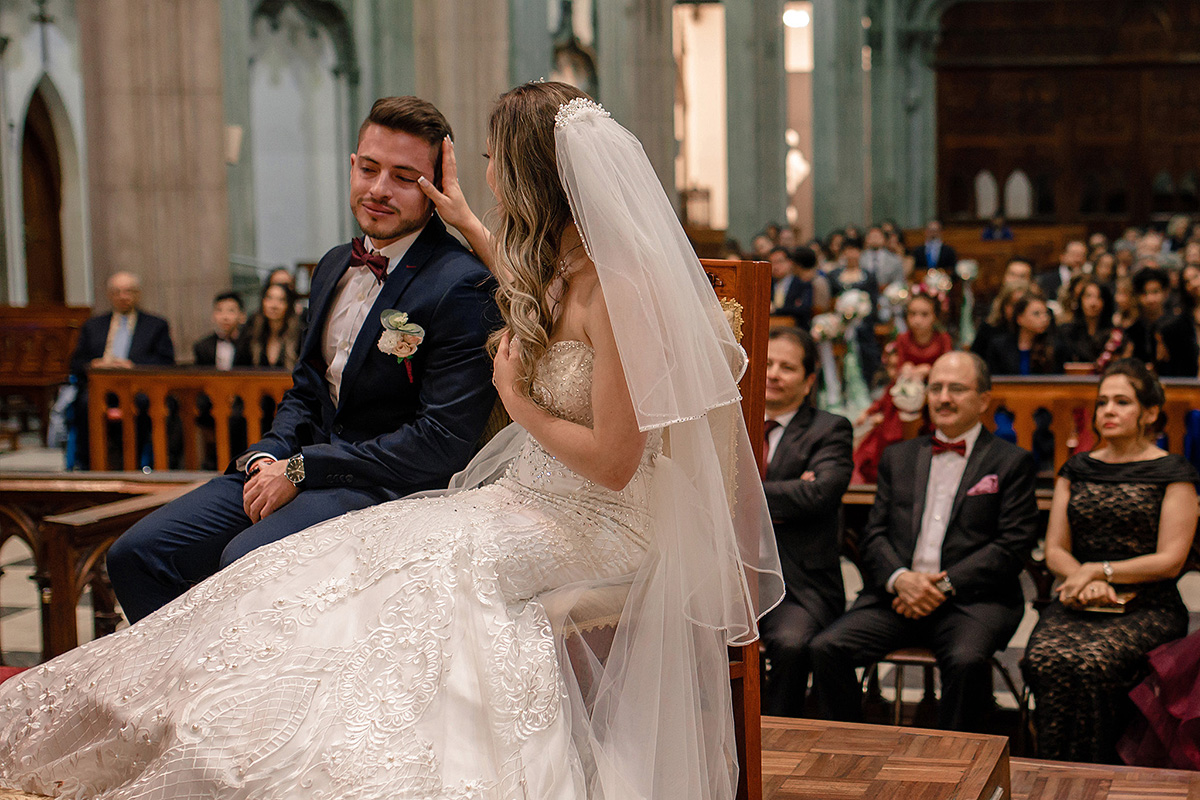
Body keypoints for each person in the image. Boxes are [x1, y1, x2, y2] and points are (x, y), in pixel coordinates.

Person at [0, 83, 782, 800]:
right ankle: (203, 728)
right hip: (528, 498)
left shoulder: (620, 288)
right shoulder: (558, 266)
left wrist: (517, 400)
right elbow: (516, 283)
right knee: (338, 558)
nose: (488, 175)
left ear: (531, 173)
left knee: (425, 580)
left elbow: (614, 466)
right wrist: (468, 221)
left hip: (601, 521)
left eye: (493, 162)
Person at [104, 96, 500, 624]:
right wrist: (271, 454)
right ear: (351, 165)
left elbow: (440, 443)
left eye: (404, 177)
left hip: (383, 486)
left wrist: (305, 467)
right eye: (368, 168)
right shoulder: (335, 264)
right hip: (298, 464)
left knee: (244, 563)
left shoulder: (460, 283)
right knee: (138, 554)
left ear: (437, 190)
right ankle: (181, 699)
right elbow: (307, 388)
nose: (379, 189)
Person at [809, 352, 1039, 732]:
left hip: (974, 601)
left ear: (984, 400)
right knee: (826, 648)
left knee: (966, 661)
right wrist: (901, 579)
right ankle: (848, 751)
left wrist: (942, 586)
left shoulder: (1011, 463)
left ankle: (956, 768)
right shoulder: (898, 457)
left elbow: (1011, 546)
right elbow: (875, 535)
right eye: (936, 388)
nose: (944, 398)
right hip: (897, 597)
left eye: (957, 389)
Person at [1021, 360, 1198, 763]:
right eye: (1103, 402)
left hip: (1148, 604)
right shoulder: (1077, 468)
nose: (1108, 411)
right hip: (1081, 597)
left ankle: (1103, 772)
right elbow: (1055, 551)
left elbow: (1171, 560)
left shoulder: (1173, 471)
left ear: (1150, 413)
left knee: (1094, 662)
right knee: (1043, 658)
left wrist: (1101, 571)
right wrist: (1086, 577)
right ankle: (1050, 770)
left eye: (1122, 402)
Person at [760, 327, 853, 717]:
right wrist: (790, 490)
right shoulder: (731, 421)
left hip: (798, 585)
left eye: (788, 367)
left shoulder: (829, 429)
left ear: (810, 379)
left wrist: (742, 492)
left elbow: (819, 496)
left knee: (792, 644)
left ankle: (777, 743)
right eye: (767, 363)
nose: (774, 374)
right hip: (730, 578)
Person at [68, 271, 176, 469]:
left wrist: (132, 366)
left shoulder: (155, 325)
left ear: (138, 294)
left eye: (128, 291)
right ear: (110, 295)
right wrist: (94, 364)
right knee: (84, 404)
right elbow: (76, 363)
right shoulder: (94, 326)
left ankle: (136, 463)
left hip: (138, 390)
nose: (122, 296)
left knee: (144, 405)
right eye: (117, 292)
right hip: (101, 390)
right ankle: (90, 465)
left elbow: (165, 361)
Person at [983, 293, 1065, 376]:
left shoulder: (1054, 347)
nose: (1044, 319)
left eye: (1046, 313)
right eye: (1036, 314)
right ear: (1020, 318)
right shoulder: (999, 346)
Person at [237, 282, 303, 370]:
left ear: (289, 305)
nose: (274, 305)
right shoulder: (250, 333)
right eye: (269, 298)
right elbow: (239, 369)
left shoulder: (300, 336)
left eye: (281, 300)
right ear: (262, 302)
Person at [1057, 277, 1116, 365]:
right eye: (1088, 296)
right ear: (1081, 300)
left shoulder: (1114, 335)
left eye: (1099, 297)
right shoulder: (1066, 332)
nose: (1093, 303)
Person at [192, 291, 246, 370]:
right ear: (213, 316)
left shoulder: (250, 344)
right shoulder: (202, 347)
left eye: (231, 310)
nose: (225, 317)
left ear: (242, 316)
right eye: (219, 310)